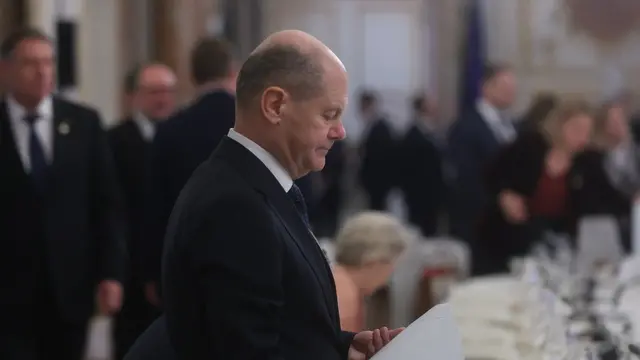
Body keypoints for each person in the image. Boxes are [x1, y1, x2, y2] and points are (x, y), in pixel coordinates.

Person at [127, 29, 402, 360]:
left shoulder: (255, 184)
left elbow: (281, 323)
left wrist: (343, 346)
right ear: (275, 105)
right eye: (328, 114)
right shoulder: (234, 207)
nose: (340, 131)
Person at [0, 27, 126, 360]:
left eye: (48, 62)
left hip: (70, 289)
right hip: (9, 294)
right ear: (5, 69)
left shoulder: (83, 123)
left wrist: (111, 273)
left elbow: (106, 205)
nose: (42, 72)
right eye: (30, 63)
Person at [142, 37, 237, 304]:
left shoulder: (170, 130)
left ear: (192, 76)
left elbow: (156, 209)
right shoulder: (254, 124)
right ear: (233, 71)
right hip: (249, 254)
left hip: (187, 263)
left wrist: (153, 272)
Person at [477, 99, 595, 275]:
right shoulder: (530, 145)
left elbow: (599, 202)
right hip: (508, 239)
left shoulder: (588, 164)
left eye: (587, 132)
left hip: (553, 248)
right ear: (560, 125)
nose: (582, 137)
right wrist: (504, 195)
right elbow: (490, 174)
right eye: (577, 129)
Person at [109, 63, 177, 359]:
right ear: (134, 96)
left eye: (168, 91)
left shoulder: (179, 139)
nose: (162, 99)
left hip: (172, 265)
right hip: (130, 268)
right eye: (154, 91)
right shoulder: (114, 140)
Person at [332, 212, 410, 332]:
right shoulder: (345, 295)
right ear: (374, 261)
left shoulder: (337, 280)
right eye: (391, 265)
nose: (387, 279)